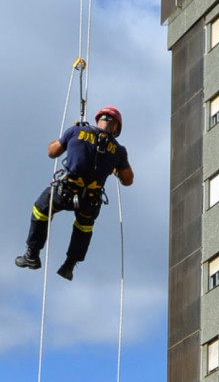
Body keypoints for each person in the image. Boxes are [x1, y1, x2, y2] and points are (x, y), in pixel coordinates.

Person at [15, 105, 132, 280]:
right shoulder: (119, 151)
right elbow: (128, 180)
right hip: (90, 200)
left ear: (98, 119)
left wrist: (68, 137)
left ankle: (32, 254)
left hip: (65, 191)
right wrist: (116, 168)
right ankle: (69, 266)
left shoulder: (76, 131)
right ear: (115, 126)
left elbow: (52, 152)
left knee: (41, 209)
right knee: (84, 227)